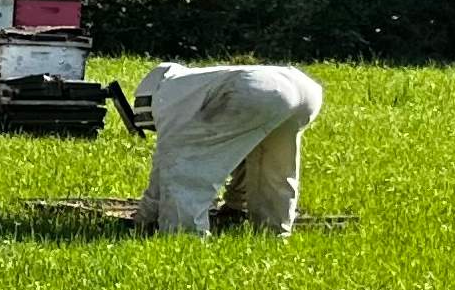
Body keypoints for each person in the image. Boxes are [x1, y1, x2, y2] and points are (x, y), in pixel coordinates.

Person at [129, 61, 324, 236]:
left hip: (253, 91)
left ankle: (184, 236)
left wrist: (144, 218)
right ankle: (273, 232)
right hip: (303, 88)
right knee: (273, 165)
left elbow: (165, 168)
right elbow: (239, 156)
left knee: (184, 170)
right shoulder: (191, 85)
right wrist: (235, 205)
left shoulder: (170, 103)